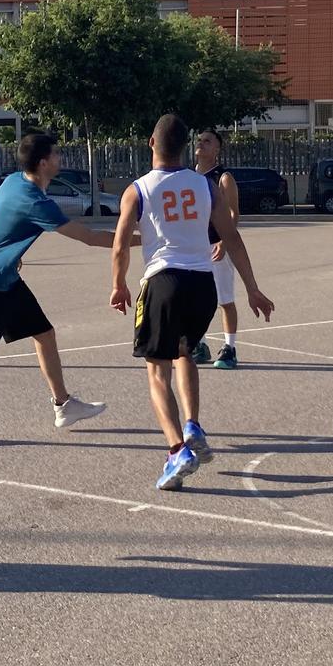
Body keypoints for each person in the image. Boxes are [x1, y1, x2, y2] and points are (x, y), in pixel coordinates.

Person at [112, 114, 274, 491]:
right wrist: (253, 287)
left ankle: (176, 451)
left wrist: (118, 284)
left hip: (163, 281)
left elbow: (120, 244)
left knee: (156, 370)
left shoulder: (138, 189)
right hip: (202, 284)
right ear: (185, 146)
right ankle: (193, 424)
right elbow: (231, 238)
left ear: (152, 143)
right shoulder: (205, 186)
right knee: (185, 351)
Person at [0, 131, 114, 449]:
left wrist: (11, 249)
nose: (60, 159)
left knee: (45, 335)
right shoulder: (38, 203)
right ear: (43, 163)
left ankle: (63, 405)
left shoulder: (12, 180)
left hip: (8, 278)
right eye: (56, 155)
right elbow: (90, 238)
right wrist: (142, 239)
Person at [190, 128, 243, 369]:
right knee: (196, 299)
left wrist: (224, 241)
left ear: (217, 149)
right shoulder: (188, 178)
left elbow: (234, 213)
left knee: (224, 299)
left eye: (207, 141)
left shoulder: (223, 177)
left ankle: (229, 348)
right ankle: (200, 344)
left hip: (217, 245)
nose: (201, 144)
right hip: (195, 247)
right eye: (199, 140)